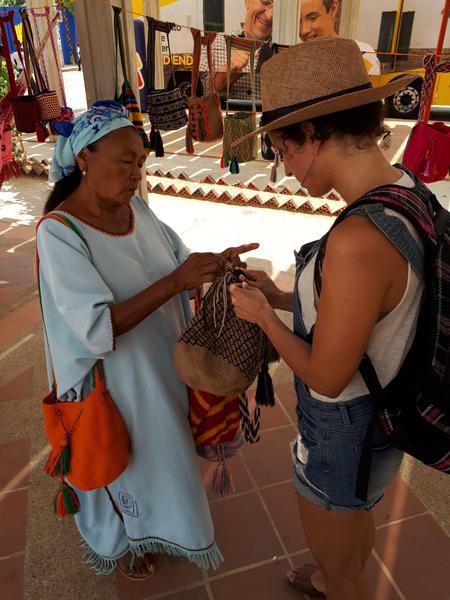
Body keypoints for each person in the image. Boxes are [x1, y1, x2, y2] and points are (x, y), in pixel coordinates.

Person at [229, 38, 425, 600]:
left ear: (312, 136)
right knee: (353, 516)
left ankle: (339, 580)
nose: (285, 169)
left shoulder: (359, 238)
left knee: (341, 569)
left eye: (283, 150)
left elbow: (325, 374)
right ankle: (340, 569)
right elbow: (368, 311)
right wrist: (287, 298)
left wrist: (265, 317)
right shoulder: (404, 191)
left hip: (344, 430)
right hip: (380, 416)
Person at [37, 100, 257, 580]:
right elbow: (95, 328)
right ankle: (128, 541)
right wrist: (177, 281)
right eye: (125, 160)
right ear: (85, 159)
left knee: (163, 457)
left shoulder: (137, 208)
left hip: (158, 367)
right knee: (124, 461)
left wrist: (216, 265)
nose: (137, 172)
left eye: (141, 161)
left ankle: (160, 526)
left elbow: (178, 260)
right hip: (114, 384)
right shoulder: (59, 234)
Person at [200, 0, 274, 100]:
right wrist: (224, 74)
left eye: (277, 8)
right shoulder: (217, 43)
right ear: (248, 2)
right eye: (265, 1)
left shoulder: (283, 53)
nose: (270, 16)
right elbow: (196, 93)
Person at [299, 0, 381, 76]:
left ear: (333, 9)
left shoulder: (362, 56)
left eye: (312, 18)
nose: (303, 31)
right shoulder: (298, 60)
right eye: (298, 21)